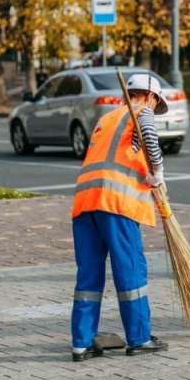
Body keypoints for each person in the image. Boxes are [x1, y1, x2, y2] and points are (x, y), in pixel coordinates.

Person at [70, 74, 169, 362]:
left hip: (85, 204)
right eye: (155, 101)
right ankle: (139, 338)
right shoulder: (142, 112)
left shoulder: (108, 118)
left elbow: (127, 149)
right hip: (116, 204)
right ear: (149, 96)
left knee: (88, 275)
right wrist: (158, 172)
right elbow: (149, 136)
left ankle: (81, 343)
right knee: (130, 270)